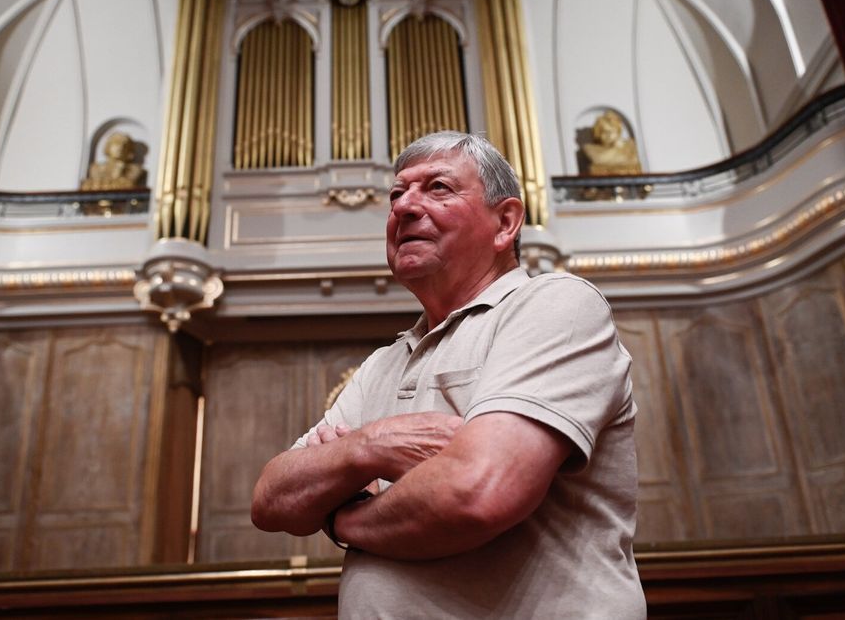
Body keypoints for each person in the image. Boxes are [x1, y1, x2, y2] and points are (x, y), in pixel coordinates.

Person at [251, 131, 645, 618]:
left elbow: (476, 493)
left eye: (437, 187)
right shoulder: (383, 363)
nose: (404, 207)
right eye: (397, 194)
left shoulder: (555, 304)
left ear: (505, 222)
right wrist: (369, 446)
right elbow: (271, 498)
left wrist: (340, 517)